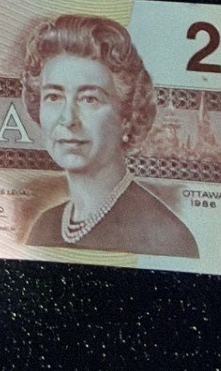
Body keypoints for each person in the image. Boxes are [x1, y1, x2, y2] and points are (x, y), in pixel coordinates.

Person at [22, 14, 198, 257]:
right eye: (54, 96)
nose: (68, 119)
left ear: (127, 115)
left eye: (89, 99)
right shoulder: (44, 227)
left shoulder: (166, 238)